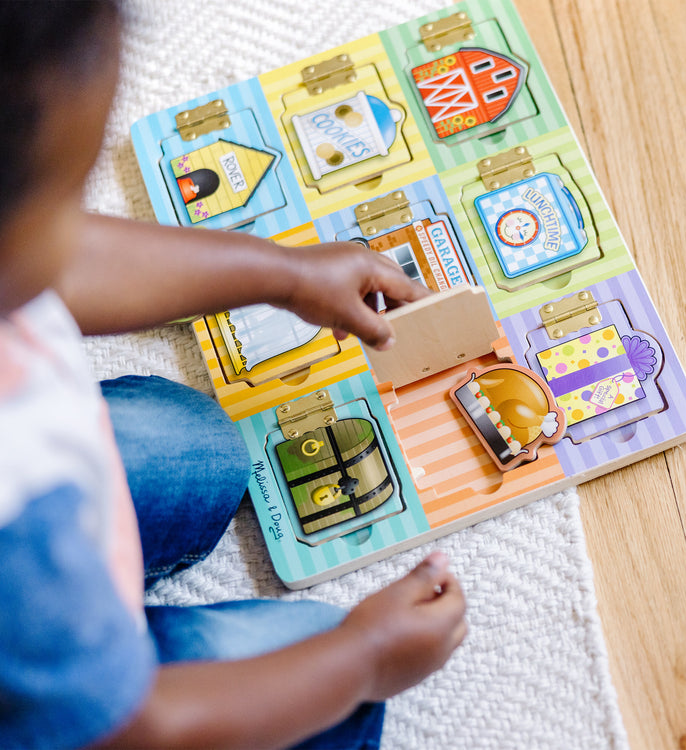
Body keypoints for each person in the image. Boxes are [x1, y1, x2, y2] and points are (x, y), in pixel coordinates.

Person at [0, 2, 467, 749]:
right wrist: (363, 661)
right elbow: (133, 732)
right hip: (77, 702)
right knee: (323, 683)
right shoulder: (22, 515)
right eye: (59, 204)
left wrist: (282, 274)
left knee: (195, 445)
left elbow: (67, 261)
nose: (74, 229)